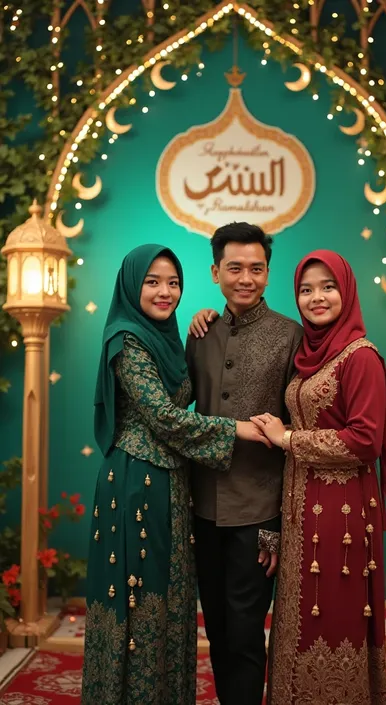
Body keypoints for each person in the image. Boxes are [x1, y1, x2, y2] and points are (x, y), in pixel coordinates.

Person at [81, 244, 268, 705]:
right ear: (131, 285)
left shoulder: (164, 337)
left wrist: (203, 324)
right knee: (138, 608)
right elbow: (165, 417)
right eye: (152, 281)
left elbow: (182, 394)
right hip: (136, 487)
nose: (165, 292)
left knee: (170, 608)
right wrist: (238, 429)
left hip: (169, 485)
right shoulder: (126, 340)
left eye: (173, 282)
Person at [251, 250, 386, 705]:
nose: (316, 298)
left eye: (328, 287)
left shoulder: (361, 356)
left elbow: (365, 440)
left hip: (341, 515)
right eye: (306, 289)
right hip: (298, 512)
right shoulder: (307, 353)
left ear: (346, 291)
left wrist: (288, 439)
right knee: (296, 617)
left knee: (333, 612)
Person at [186, 222, 303, 705]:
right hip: (202, 505)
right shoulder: (200, 331)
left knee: (247, 630)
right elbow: (182, 406)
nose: (246, 278)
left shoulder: (289, 335)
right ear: (216, 272)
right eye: (235, 268)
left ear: (268, 274)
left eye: (257, 268)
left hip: (259, 510)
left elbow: (297, 425)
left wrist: (279, 523)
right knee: (215, 625)